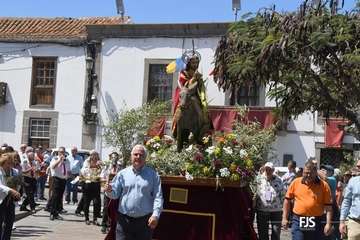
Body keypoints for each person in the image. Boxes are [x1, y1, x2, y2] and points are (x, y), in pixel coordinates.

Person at [105, 144, 163, 240]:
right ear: (131, 156)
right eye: (135, 154)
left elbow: (158, 197)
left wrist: (155, 215)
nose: (138, 157)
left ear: (145, 158)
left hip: (144, 222)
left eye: (141, 155)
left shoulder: (153, 175)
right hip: (124, 221)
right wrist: (110, 190)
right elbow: (114, 194)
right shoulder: (122, 174)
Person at [282, 160, 333, 240]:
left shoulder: (324, 186)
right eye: (306, 173)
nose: (308, 175)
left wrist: (328, 224)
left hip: (316, 220)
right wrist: (284, 218)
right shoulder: (296, 182)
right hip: (298, 220)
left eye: (311, 173)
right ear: (303, 172)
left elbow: (329, 208)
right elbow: (287, 201)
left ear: (316, 172)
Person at [171, 50, 208, 137]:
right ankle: (175, 126)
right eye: (193, 63)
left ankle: (203, 123)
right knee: (182, 107)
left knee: (202, 108)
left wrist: (203, 98)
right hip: (185, 95)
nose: (195, 64)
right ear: (188, 63)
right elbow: (185, 86)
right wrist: (193, 79)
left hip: (195, 95)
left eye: (196, 62)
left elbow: (201, 87)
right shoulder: (183, 73)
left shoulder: (198, 74)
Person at [255, 162, 284, 240]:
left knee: (276, 232)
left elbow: (283, 194)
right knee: (263, 233)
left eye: (270, 169)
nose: (268, 171)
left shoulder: (279, 180)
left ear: (273, 170)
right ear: (264, 169)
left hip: (276, 210)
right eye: (266, 169)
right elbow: (255, 193)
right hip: (262, 210)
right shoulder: (259, 179)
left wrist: (282, 207)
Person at [100, 152, 123, 234]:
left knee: (115, 208)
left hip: (116, 191)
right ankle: (104, 225)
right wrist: (105, 183)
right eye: (113, 157)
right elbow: (102, 176)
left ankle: (113, 225)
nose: (114, 158)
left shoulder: (120, 167)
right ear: (110, 158)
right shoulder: (106, 166)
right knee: (106, 207)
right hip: (107, 190)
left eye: (116, 157)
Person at [0, 153, 21, 240]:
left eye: (11, 163)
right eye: (7, 163)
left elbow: (18, 183)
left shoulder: (15, 171)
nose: (9, 165)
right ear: (2, 163)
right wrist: (10, 190)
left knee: (9, 222)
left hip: (11, 199)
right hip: (1, 199)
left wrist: (17, 190)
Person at [339, 159, 360, 240]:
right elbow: (346, 202)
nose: (357, 166)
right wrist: (342, 221)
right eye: (357, 164)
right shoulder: (353, 181)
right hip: (355, 223)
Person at [80, 150, 102, 225]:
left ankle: (95, 219)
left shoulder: (100, 162)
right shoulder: (86, 162)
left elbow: (103, 171)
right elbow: (84, 171)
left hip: (96, 184)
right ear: (90, 155)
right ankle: (87, 218)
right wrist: (93, 166)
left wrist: (100, 166)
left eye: (96, 155)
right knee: (87, 202)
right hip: (88, 184)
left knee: (96, 203)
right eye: (93, 155)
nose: (95, 156)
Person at [49, 147, 70, 220]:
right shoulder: (55, 158)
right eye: (61, 152)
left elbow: (68, 170)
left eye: (63, 152)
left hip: (63, 180)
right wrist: (59, 160)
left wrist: (68, 176)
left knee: (59, 197)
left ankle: (56, 213)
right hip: (56, 179)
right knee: (55, 196)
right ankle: (52, 213)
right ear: (58, 152)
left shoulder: (67, 160)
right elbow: (53, 167)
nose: (62, 153)